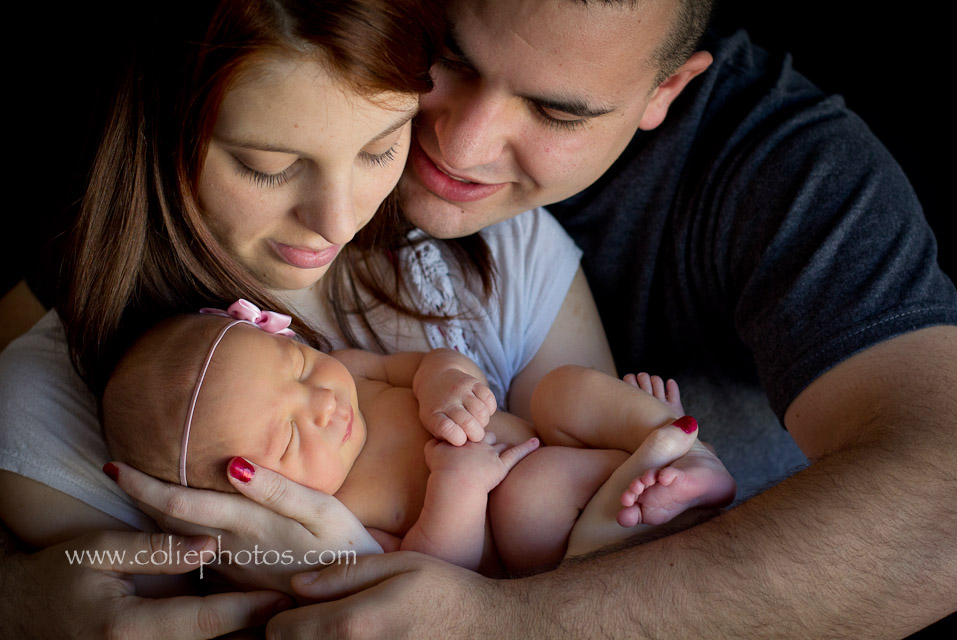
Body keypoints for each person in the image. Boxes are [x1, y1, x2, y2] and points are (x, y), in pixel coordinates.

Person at [236, 0, 957, 637]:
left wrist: (503, 626)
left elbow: (946, 508)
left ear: (665, 90)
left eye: (558, 113)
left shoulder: (784, 169)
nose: (462, 145)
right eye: (447, 57)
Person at [0, 0, 643, 636]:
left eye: (380, 148)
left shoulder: (500, 248)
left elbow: (616, 525)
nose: (337, 222)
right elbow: (126, 592)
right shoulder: (46, 409)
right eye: (268, 167)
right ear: (154, 126)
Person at [101, 303, 732, 579]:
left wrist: (446, 386)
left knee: (559, 389)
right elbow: (438, 571)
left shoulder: (349, 368)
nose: (322, 401)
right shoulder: (336, 521)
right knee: (526, 498)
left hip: (547, 436)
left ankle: (667, 442)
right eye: (290, 435)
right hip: (540, 531)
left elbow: (427, 363)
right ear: (256, 494)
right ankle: (654, 494)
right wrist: (458, 488)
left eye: (295, 366)